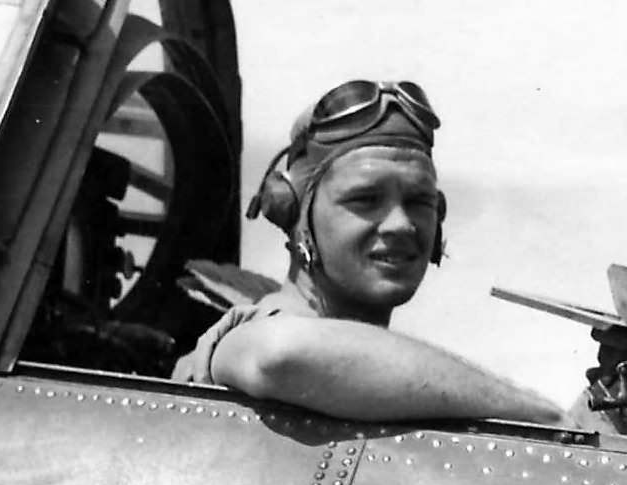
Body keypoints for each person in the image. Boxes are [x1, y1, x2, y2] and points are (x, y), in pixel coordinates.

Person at [172, 79, 563, 424]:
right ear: (290, 210)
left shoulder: (386, 391)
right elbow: (283, 354)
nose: (400, 224)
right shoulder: (250, 332)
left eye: (419, 201)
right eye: (365, 199)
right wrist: (543, 415)